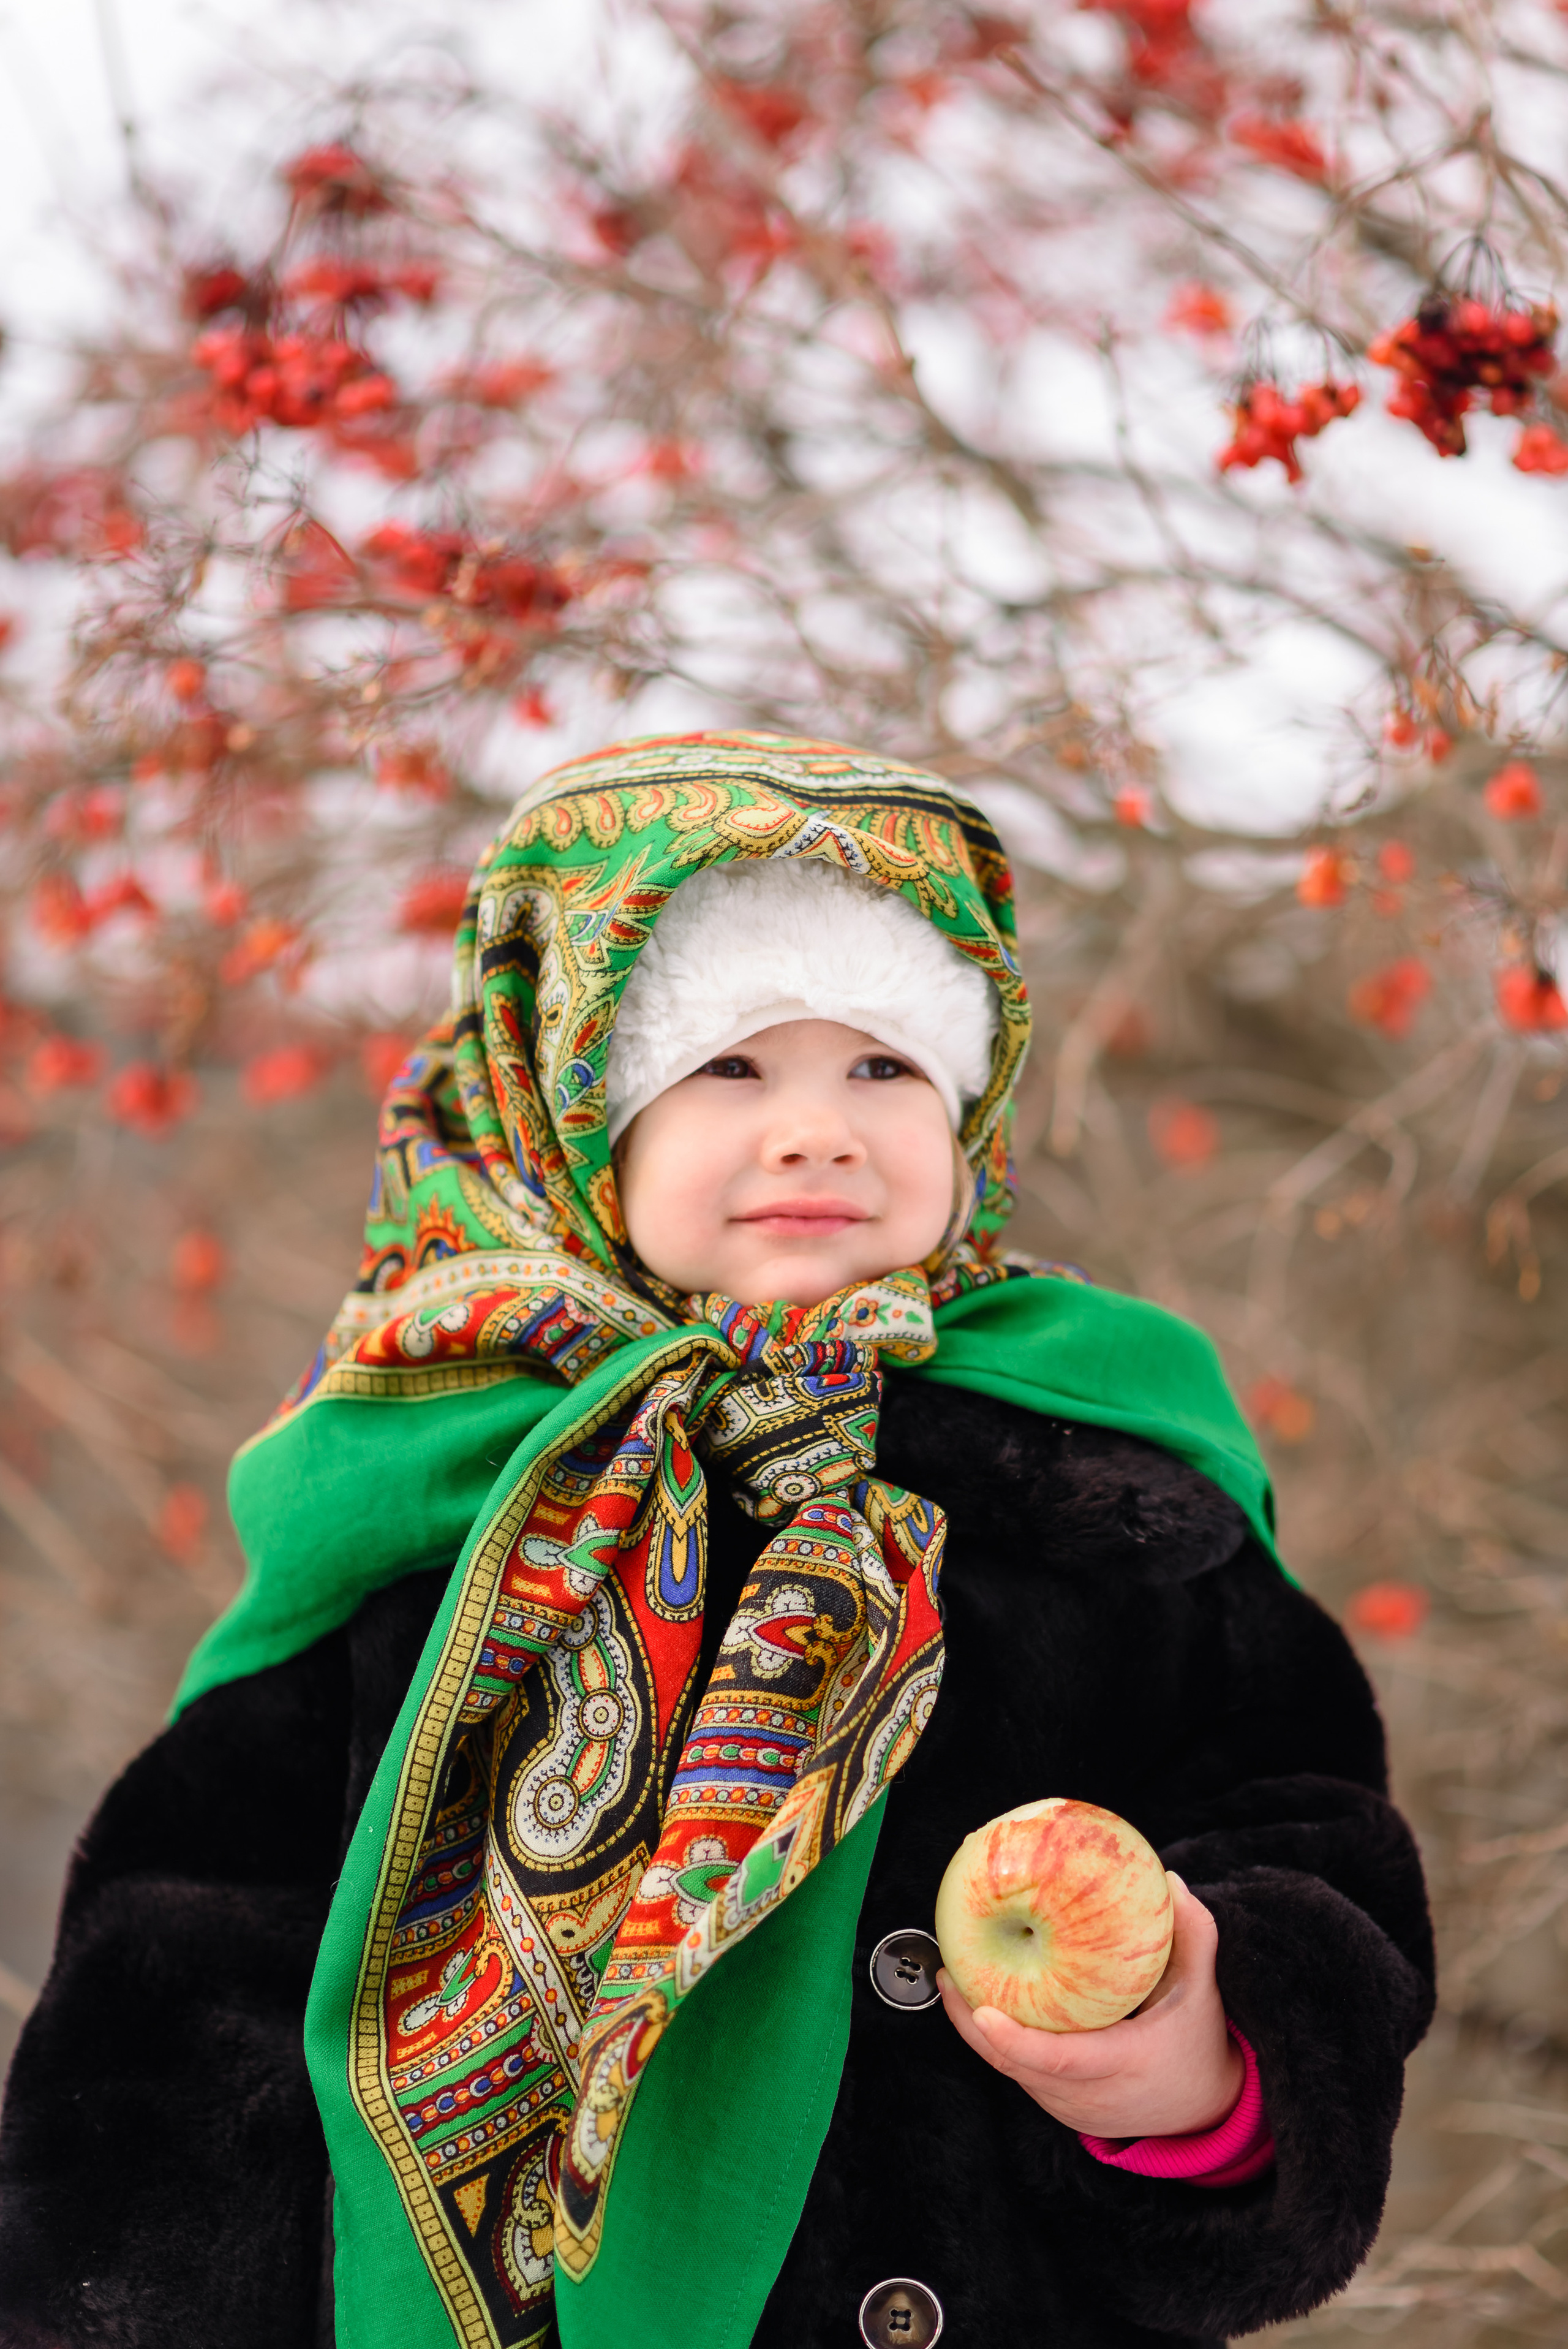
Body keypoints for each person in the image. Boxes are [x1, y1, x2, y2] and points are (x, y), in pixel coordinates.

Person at [0, 730, 1434, 2349]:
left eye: (886, 1067)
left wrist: (1201, 2053)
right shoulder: (434, 1489)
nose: (820, 1128)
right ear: (570, 1111)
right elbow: (181, 2000)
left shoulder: (1105, 1480)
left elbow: (1307, 1839)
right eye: (731, 1067)